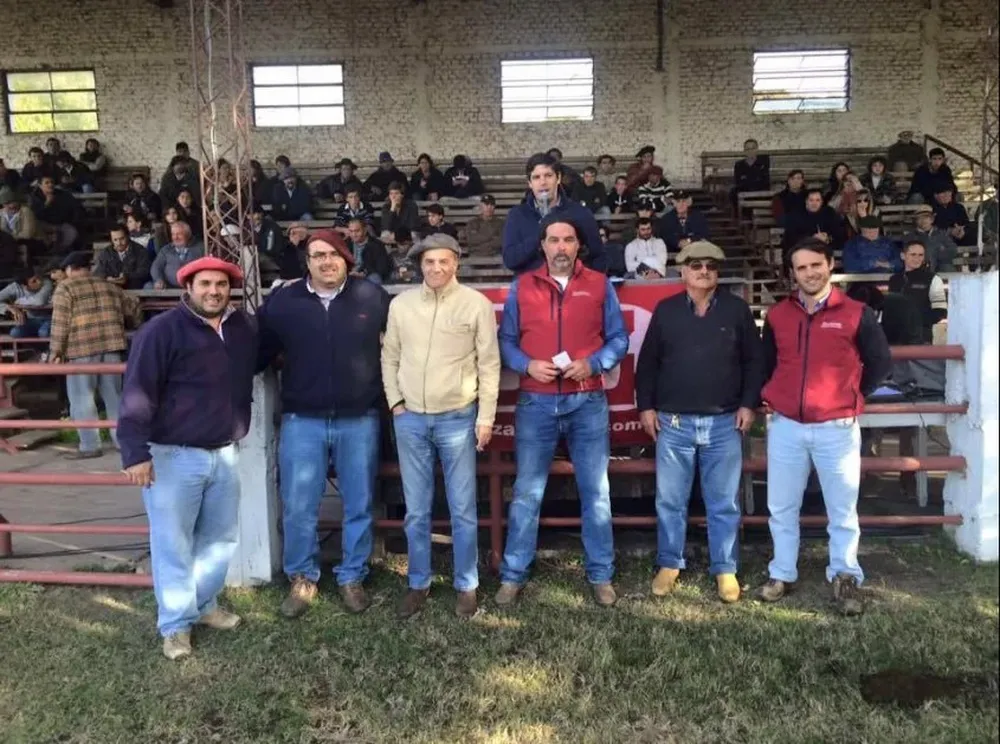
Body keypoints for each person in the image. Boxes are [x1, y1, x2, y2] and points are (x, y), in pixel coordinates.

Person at [117, 256, 258, 661]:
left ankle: (205, 605)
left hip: (225, 454)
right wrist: (134, 453)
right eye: (205, 284)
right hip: (172, 457)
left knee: (219, 539)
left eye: (220, 284)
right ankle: (176, 625)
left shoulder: (241, 328)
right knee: (173, 544)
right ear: (188, 287)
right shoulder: (161, 331)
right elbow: (137, 393)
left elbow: (254, 365)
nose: (213, 291)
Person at [495, 215, 628, 607]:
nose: (561, 247)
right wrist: (526, 365)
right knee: (526, 492)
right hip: (535, 401)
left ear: (578, 246)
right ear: (543, 246)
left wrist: (596, 362)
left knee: (596, 491)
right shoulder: (523, 286)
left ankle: (601, 574)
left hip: (587, 400)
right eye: (553, 240)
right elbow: (506, 341)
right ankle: (514, 573)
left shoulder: (600, 285)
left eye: (568, 240)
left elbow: (619, 338)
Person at [257, 228, 390, 619]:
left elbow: (399, 345)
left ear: (347, 259)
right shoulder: (284, 301)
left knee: (359, 502)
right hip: (303, 419)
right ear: (307, 262)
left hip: (359, 417)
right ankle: (303, 577)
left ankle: (352, 575)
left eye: (333, 254)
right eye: (317, 255)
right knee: (299, 504)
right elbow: (258, 350)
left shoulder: (372, 297)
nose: (326, 261)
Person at [756, 237, 891, 616]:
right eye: (801, 267)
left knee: (842, 507)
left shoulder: (855, 312)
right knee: (781, 505)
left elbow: (880, 363)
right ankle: (782, 572)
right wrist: (773, 394)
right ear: (792, 273)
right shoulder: (778, 315)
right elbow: (768, 363)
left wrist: (852, 396)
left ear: (830, 265)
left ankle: (845, 573)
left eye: (816, 264)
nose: (810, 273)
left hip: (837, 426)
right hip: (786, 425)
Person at [635, 240, 764, 603]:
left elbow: (755, 362)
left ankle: (725, 568)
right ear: (682, 271)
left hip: (725, 422)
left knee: (723, 501)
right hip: (673, 423)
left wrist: (749, 404)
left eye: (710, 265)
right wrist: (646, 406)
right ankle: (669, 563)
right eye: (696, 265)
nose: (703, 271)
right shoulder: (666, 310)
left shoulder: (738, 311)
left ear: (717, 272)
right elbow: (647, 364)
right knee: (670, 500)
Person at [381, 233, 501, 619]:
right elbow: (390, 356)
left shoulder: (476, 305)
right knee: (416, 510)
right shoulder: (401, 305)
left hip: (458, 417)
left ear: (456, 264)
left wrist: (485, 416)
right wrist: (396, 403)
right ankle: (419, 582)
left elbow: (489, 364)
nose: (436, 268)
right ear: (420, 265)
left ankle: (467, 585)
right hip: (411, 418)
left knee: (462, 507)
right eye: (429, 262)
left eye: (443, 261)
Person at [48, 251, 143, 460]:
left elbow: (60, 322)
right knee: (114, 397)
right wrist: (133, 323)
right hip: (111, 346)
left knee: (82, 398)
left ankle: (90, 445)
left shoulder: (66, 288)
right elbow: (133, 303)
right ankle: (122, 442)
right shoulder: (109, 286)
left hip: (81, 348)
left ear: (70, 269)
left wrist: (56, 351)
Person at [502, 152, 605, 273]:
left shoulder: (580, 213)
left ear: (558, 178)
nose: (543, 182)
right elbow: (510, 260)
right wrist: (541, 231)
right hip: (531, 287)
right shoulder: (517, 215)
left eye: (548, 175)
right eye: (536, 177)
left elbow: (599, 257)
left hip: (570, 286)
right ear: (529, 183)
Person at [888, 238, 947, 343]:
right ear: (903, 256)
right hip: (895, 339)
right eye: (913, 254)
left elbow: (940, 312)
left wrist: (915, 321)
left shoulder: (934, 279)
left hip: (921, 338)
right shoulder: (894, 279)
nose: (917, 258)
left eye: (920, 255)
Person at [782, 189, 846, 264]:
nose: (814, 203)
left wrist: (828, 238)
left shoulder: (829, 213)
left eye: (817, 200)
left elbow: (839, 233)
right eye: (811, 200)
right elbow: (791, 237)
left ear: (822, 202)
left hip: (826, 249)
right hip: (802, 250)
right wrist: (812, 238)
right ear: (806, 201)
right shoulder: (796, 215)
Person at [93, 224, 153, 290]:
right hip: (112, 291)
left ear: (128, 236)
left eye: (122, 239)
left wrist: (127, 277)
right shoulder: (106, 253)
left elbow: (144, 272)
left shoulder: (140, 251)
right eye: (115, 240)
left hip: (134, 289)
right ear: (111, 240)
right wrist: (107, 278)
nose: (119, 243)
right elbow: (98, 272)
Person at [150, 222, 206, 289]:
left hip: (193, 287)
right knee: (148, 286)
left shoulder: (200, 248)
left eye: (179, 234)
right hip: (168, 288)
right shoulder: (166, 250)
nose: (175, 237)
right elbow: (156, 267)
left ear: (188, 235)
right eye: (173, 234)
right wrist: (158, 280)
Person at [0, 268, 53, 338]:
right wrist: (9, 308)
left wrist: (19, 301)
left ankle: (45, 348)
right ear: (24, 286)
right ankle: (36, 348)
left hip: (48, 319)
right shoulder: (15, 287)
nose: (39, 282)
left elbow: (40, 301)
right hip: (29, 320)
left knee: (43, 333)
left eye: (38, 278)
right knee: (15, 333)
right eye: (34, 281)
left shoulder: (46, 283)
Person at [907, 204, 958, 272]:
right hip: (920, 267)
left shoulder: (942, 234)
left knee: (947, 268)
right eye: (920, 218)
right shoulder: (910, 237)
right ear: (916, 221)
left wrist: (936, 255)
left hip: (942, 266)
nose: (923, 220)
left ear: (932, 219)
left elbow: (953, 250)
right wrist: (939, 248)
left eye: (926, 217)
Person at [346, 218, 391, 283]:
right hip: (350, 274)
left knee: (375, 278)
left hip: (368, 275)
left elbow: (382, 269)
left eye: (357, 231)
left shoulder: (377, 245)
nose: (354, 235)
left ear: (365, 230)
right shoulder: (346, 244)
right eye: (351, 231)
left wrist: (364, 274)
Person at [731, 138, 771, 212]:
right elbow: (738, 181)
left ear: (757, 149)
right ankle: (740, 217)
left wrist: (747, 178)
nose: (750, 151)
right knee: (733, 192)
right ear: (744, 151)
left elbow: (765, 180)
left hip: (760, 191)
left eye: (753, 148)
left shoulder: (763, 162)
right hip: (745, 190)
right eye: (748, 149)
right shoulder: (739, 165)